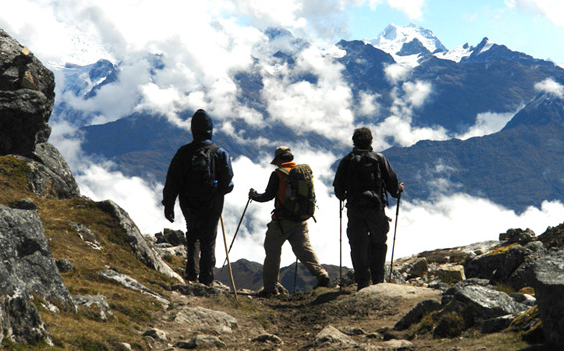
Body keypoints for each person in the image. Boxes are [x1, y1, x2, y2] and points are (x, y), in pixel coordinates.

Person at [163, 109, 234, 285]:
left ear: (193, 130)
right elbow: (228, 182)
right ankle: (206, 279)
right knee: (208, 239)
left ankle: (191, 273)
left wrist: (168, 205)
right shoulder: (220, 153)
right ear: (210, 130)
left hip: (188, 203)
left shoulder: (183, 152)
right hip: (212, 203)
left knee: (192, 235)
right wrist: (222, 190)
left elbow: (172, 181)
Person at [249, 146, 331, 295]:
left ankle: (270, 288)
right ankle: (321, 274)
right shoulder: (303, 172)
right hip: (301, 219)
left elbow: (267, 196)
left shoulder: (278, 174)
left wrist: (253, 196)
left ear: (279, 159)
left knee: (272, 251)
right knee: (304, 248)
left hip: (282, 221)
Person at [333, 127, 404, 290]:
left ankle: (362, 283)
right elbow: (393, 187)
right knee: (379, 243)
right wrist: (399, 189)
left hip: (355, 210)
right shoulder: (379, 159)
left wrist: (346, 196)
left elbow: (338, 191)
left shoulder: (346, 161)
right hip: (375, 209)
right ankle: (378, 281)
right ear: (371, 141)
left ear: (354, 141)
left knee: (358, 245)